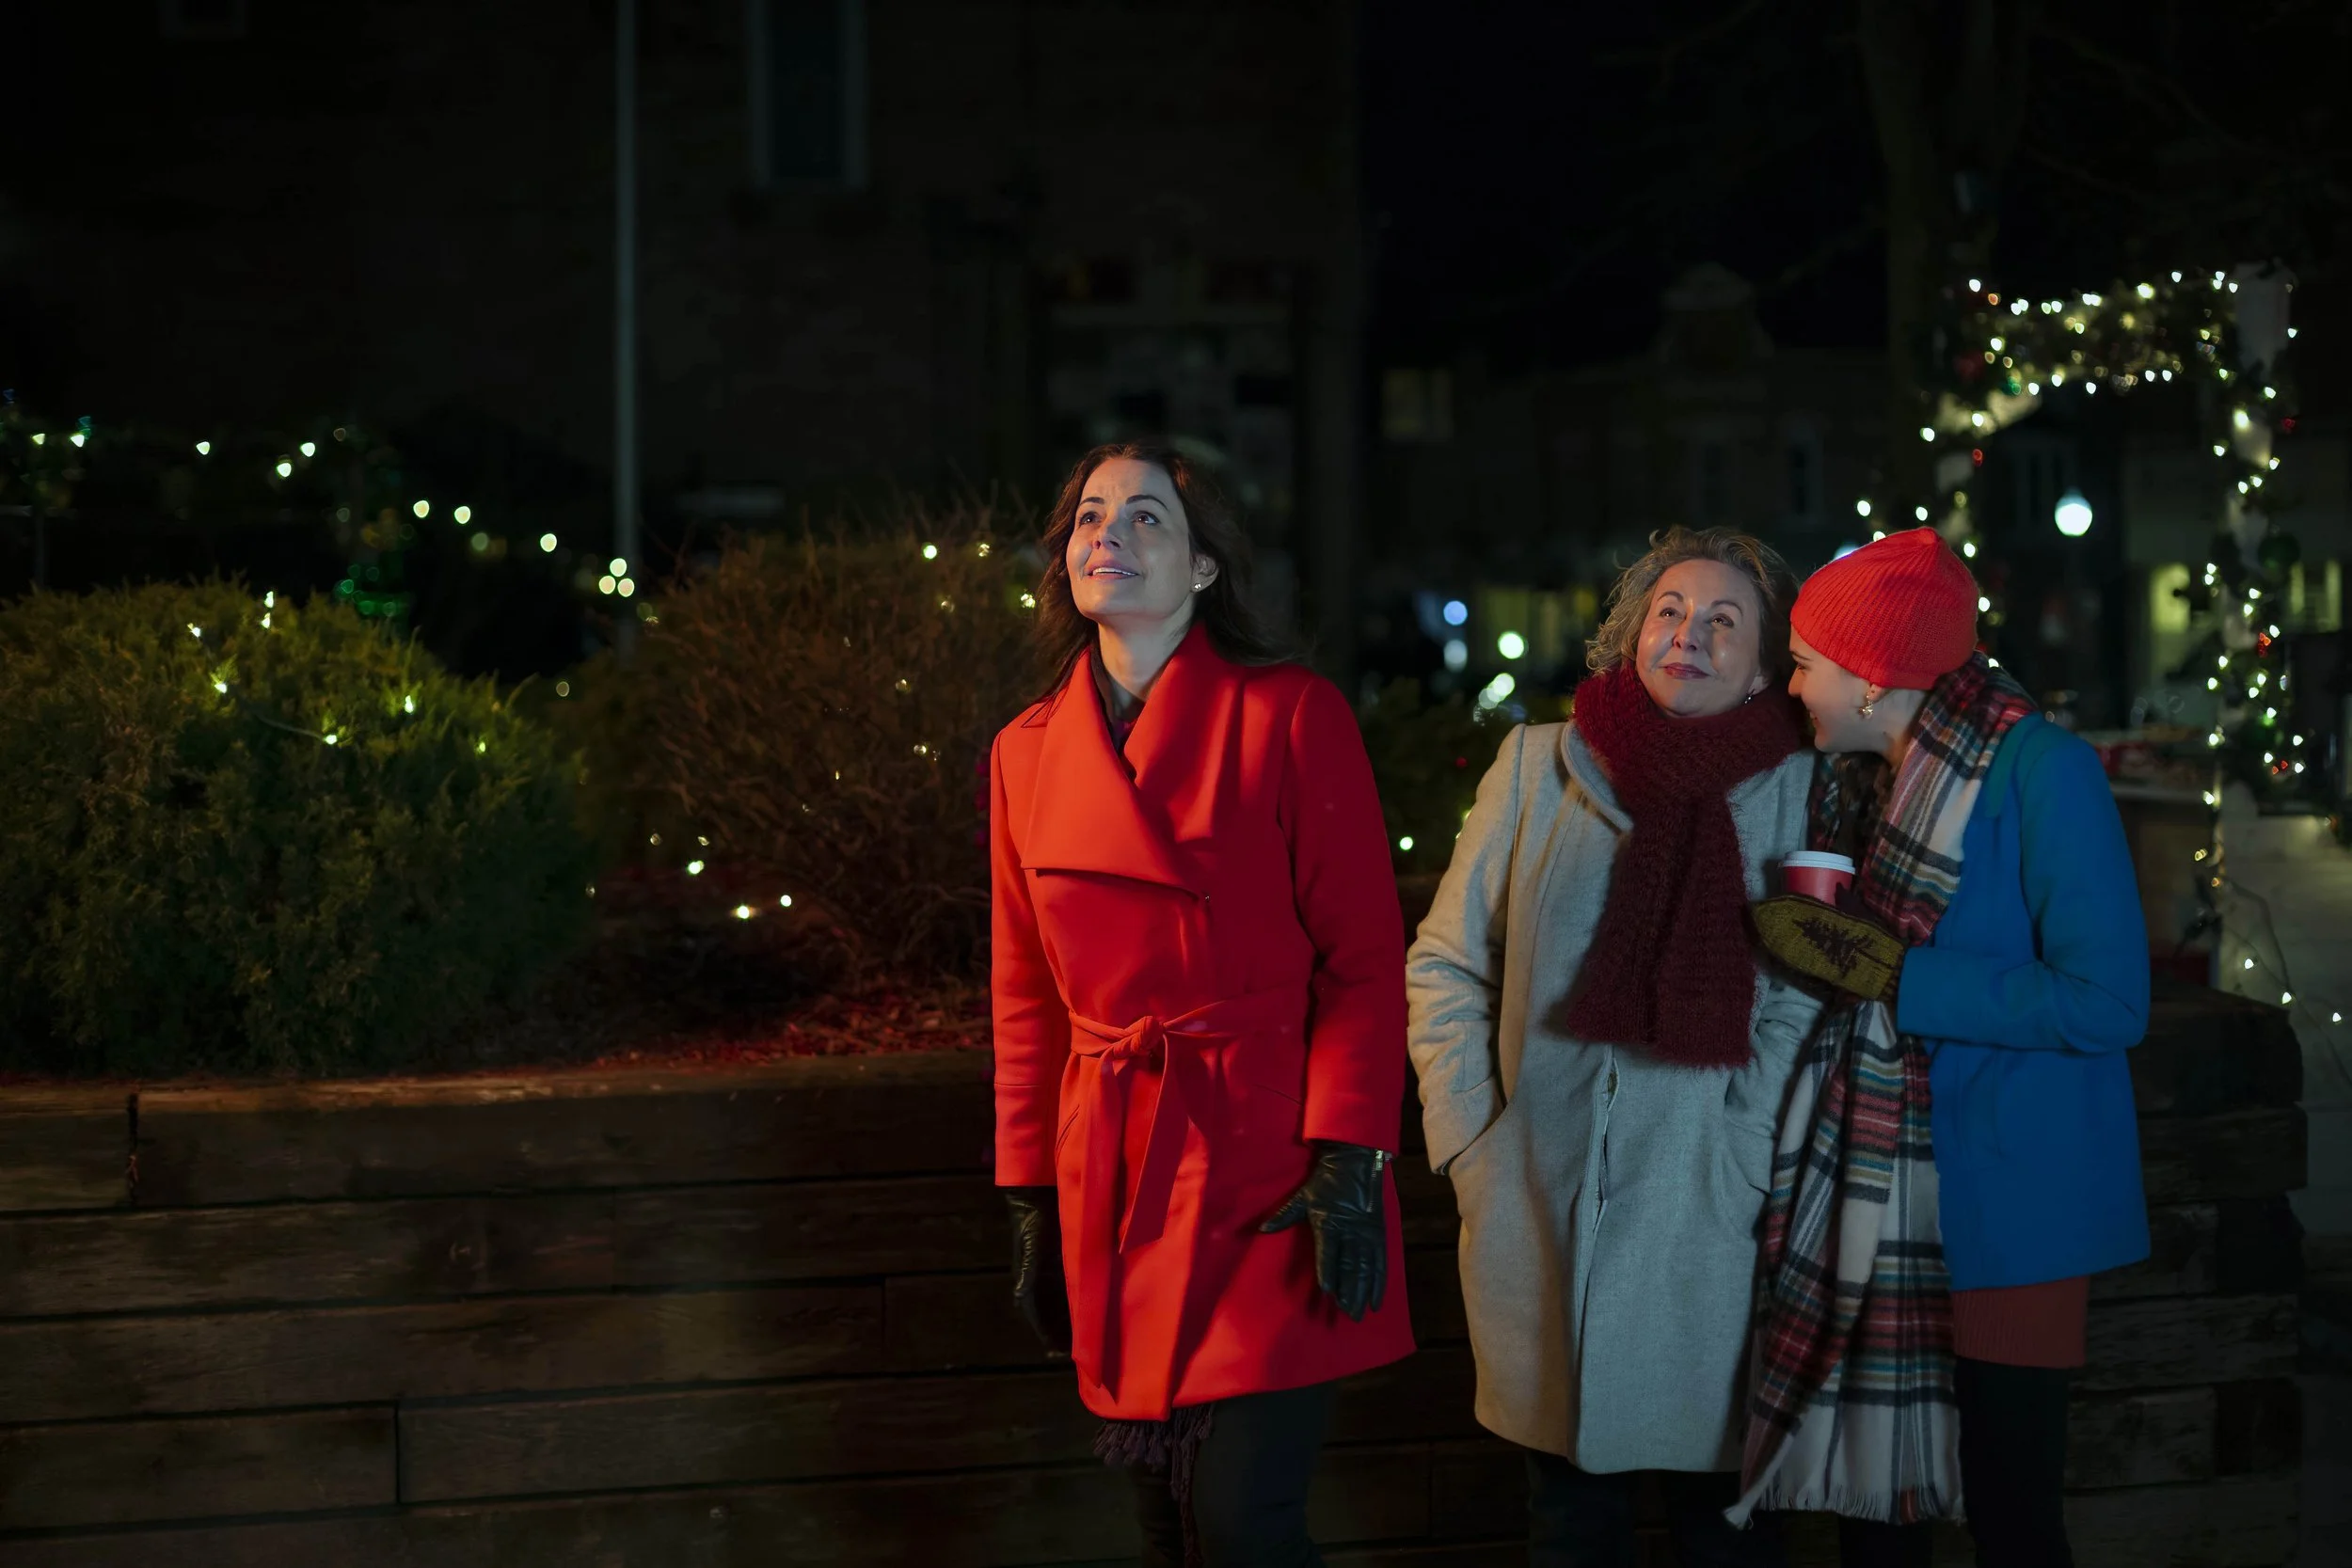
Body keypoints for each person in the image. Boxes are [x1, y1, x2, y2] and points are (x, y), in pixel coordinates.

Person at [990, 440, 1415, 1567]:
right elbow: (1026, 992)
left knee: (1239, 1518)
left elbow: (1365, 957)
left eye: (1146, 520)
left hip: (1265, 1163)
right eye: (1089, 517)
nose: (1107, 537)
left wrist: (1349, 1156)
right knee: (1161, 1514)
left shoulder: (1287, 714)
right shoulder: (1023, 755)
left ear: (1206, 568)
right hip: (1114, 1165)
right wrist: (1031, 1189)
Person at [1406, 527, 1822, 1568]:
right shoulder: (1536, 763)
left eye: (1725, 621)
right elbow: (1445, 963)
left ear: (1766, 664)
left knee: (1723, 1532)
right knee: (1569, 1528)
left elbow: (1798, 994)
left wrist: (1741, 1150)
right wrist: (1473, 1143)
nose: (1689, 633)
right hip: (1539, 1205)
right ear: (1633, 628)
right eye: (1671, 609)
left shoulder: (1795, 788)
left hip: (1709, 1219)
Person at [1745, 527, 2150, 1568]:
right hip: (1876, 1198)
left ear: (1873, 679)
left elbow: (2105, 999)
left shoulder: (2042, 770)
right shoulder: (1854, 783)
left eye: (1805, 659)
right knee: (1876, 1520)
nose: (1791, 683)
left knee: (2012, 1518)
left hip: (2009, 1208)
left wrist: (1898, 976)